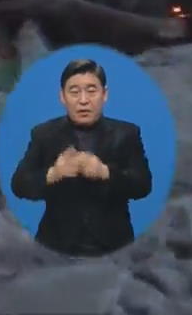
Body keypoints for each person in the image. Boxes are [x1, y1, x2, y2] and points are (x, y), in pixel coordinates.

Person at [10, 58, 153, 256]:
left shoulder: (127, 133)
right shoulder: (44, 134)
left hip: (114, 245)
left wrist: (105, 173)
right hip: (56, 244)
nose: (83, 100)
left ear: (105, 94)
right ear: (62, 96)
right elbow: (19, 185)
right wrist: (54, 173)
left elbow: (143, 185)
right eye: (75, 92)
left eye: (91, 91)